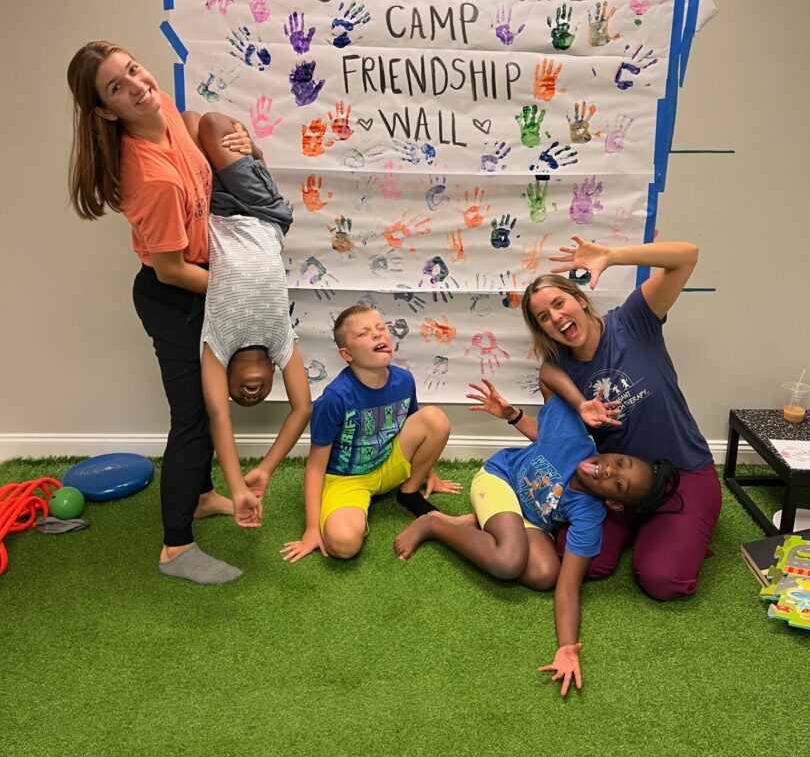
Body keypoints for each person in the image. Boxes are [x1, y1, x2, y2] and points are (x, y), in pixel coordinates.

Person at [68, 41, 254, 584]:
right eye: (117, 88)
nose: (137, 86)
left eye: (132, 70)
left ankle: (200, 496)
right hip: (175, 297)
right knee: (193, 419)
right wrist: (242, 286)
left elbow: (194, 122)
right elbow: (171, 269)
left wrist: (237, 137)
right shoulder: (150, 178)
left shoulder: (160, 109)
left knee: (203, 407)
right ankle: (176, 547)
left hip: (201, 284)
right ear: (105, 110)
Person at [394, 394, 679, 696]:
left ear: (613, 503)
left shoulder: (590, 514)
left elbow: (568, 587)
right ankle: (435, 523)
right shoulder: (574, 437)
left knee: (546, 575)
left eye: (619, 484)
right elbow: (548, 379)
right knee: (509, 561)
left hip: (531, 520)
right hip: (500, 479)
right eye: (620, 462)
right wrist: (516, 414)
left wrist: (567, 647)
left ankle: (479, 523)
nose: (610, 470)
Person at [516, 234, 721, 601]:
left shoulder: (633, 320)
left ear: (580, 299)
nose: (556, 318)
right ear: (542, 329)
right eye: (544, 317)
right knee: (581, 561)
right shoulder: (558, 373)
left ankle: (672, 529)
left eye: (560, 303)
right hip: (614, 486)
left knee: (663, 580)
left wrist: (612, 255)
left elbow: (687, 255)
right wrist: (579, 404)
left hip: (683, 471)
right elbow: (553, 408)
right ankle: (647, 527)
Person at [193, 110, 311, 531]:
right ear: (272, 374)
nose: (250, 396)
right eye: (258, 398)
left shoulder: (217, 343)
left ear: (225, 380)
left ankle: (249, 150)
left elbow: (218, 418)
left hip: (216, 211)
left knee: (188, 124)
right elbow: (302, 409)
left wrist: (236, 487)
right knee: (209, 123)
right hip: (263, 214)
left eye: (241, 397)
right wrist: (267, 468)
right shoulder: (281, 340)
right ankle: (254, 150)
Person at [281, 304, 456, 563]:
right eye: (364, 333)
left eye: (380, 328)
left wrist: (429, 474)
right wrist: (311, 530)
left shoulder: (405, 380)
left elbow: (416, 427)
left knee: (435, 419)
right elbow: (315, 468)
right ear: (346, 354)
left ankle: (408, 493)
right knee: (343, 545)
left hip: (387, 464)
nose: (378, 335)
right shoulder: (334, 399)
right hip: (346, 480)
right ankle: (355, 511)